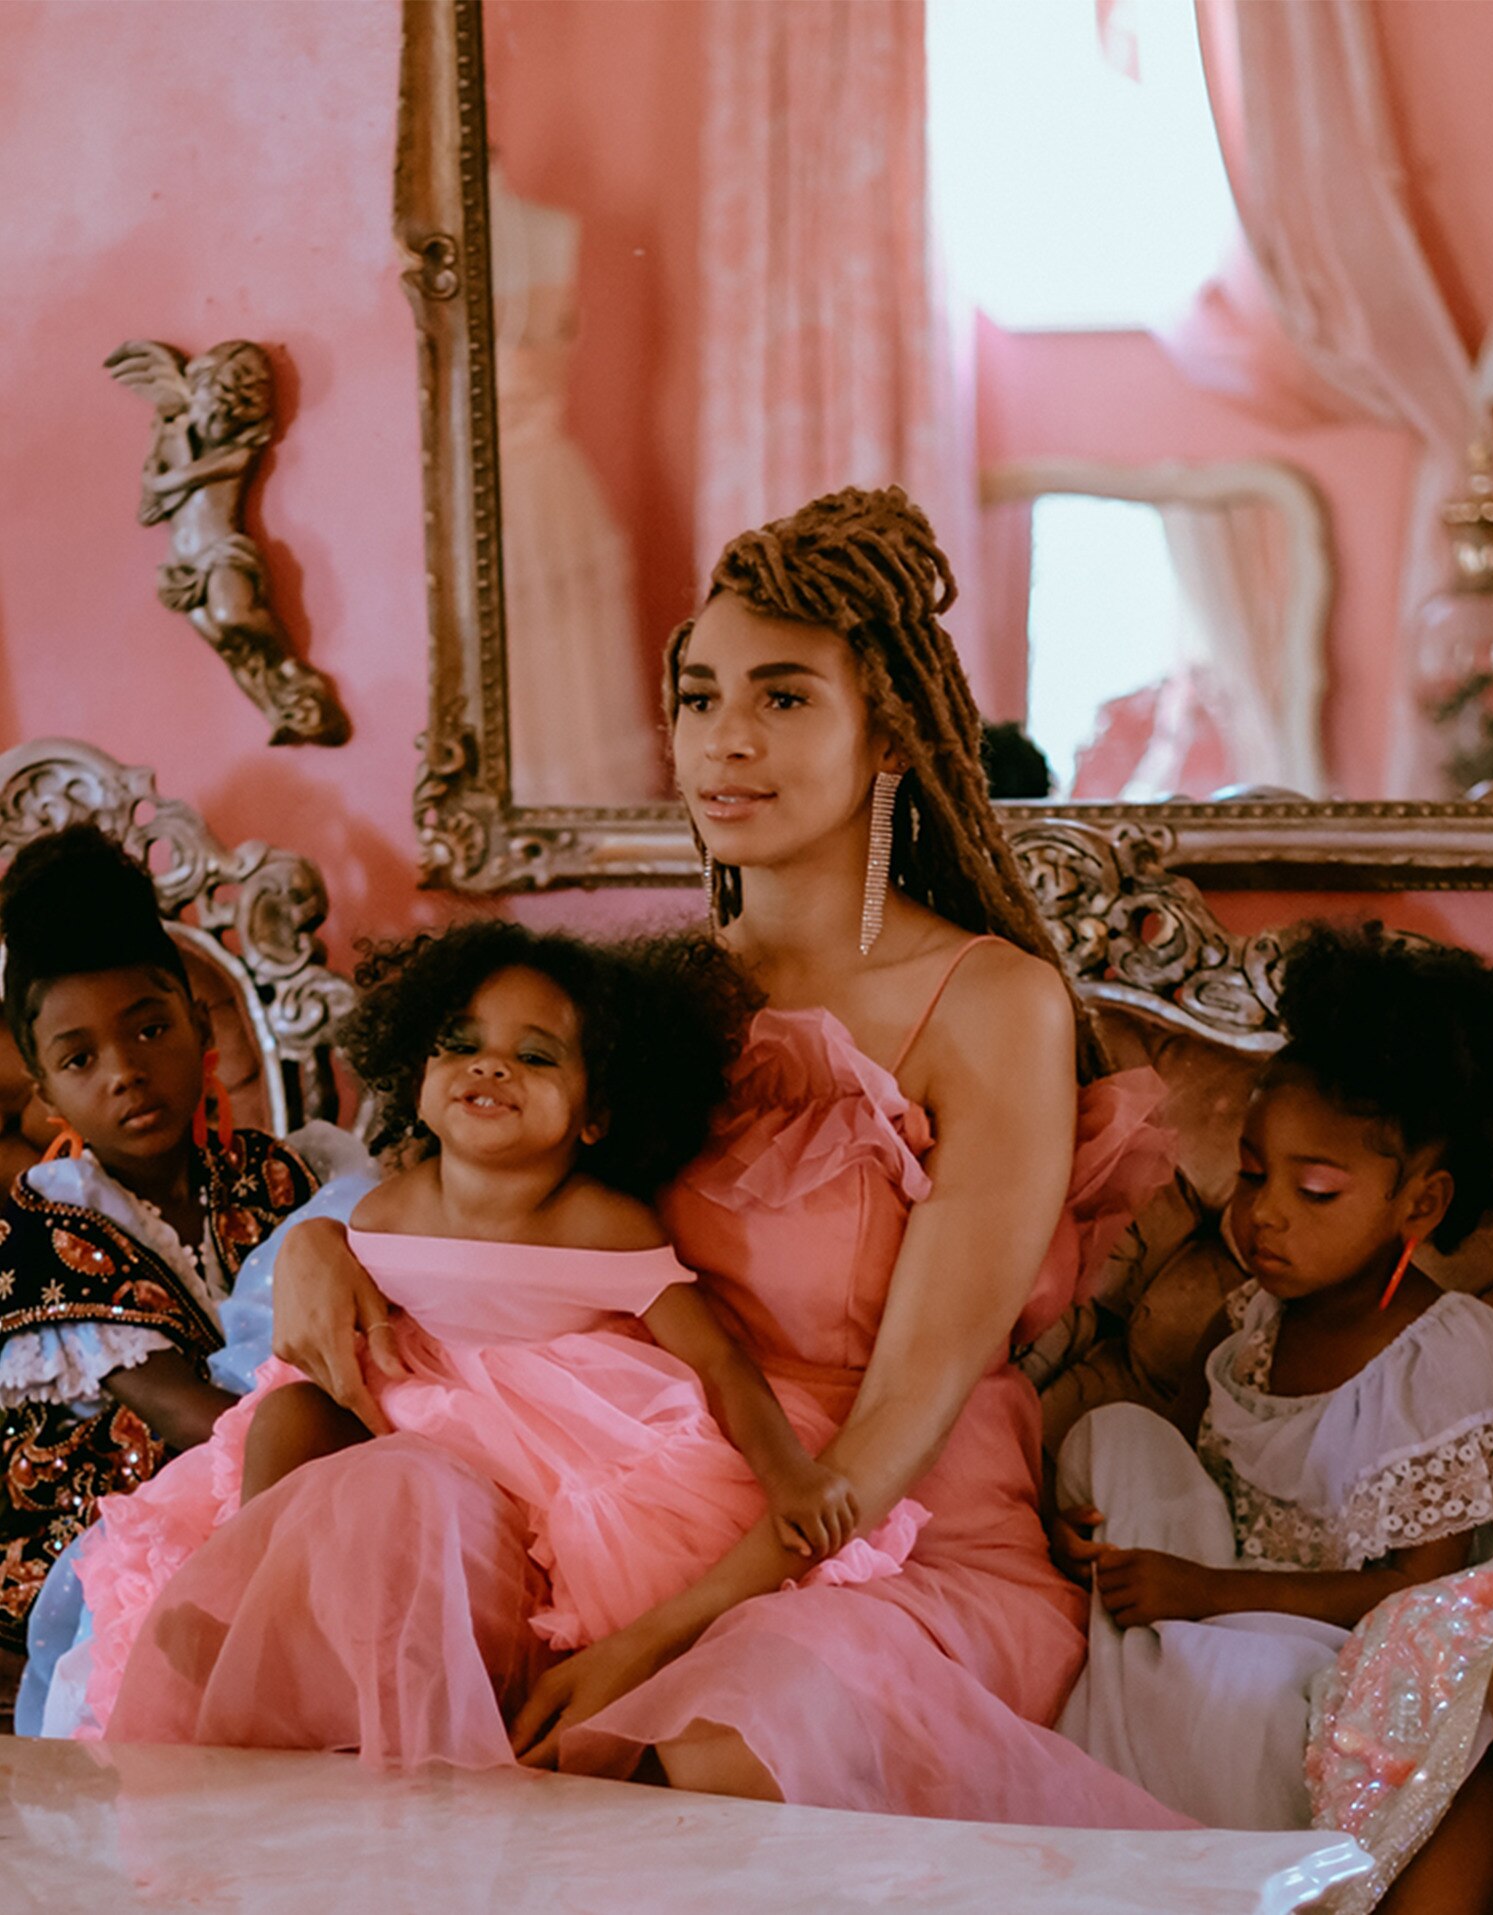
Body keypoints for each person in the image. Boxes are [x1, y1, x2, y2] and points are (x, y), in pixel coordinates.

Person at [239, 485, 1185, 1824]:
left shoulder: (991, 1005)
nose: (724, 740)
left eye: (784, 696)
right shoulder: (646, 994)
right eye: (698, 696)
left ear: (893, 729)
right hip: (606, 1496)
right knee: (354, 1545)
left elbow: (899, 1423)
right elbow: (470, 1205)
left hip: (882, 1541)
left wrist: (644, 1642)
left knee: (713, 1742)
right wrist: (320, 1241)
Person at [77, 922, 931, 1760]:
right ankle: (245, 1597)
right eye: (460, 1043)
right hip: (407, 1422)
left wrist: (789, 1472)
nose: (489, 1066)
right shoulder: (386, 1209)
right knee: (290, 1414)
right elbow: (352, 1343)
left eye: (535, 1056)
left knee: (441, 1521)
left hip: (537, 1465)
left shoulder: (603, 1224)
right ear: (418, 1077)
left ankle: (440, 1705)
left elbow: (716, 1359)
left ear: (595, 1112)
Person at [1052, 922, 1493, 1913]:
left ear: (1419, 1203)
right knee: (1118, 1437)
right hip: (1211, 1599)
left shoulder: (1444, 1354)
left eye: (1315, 1189)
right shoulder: (1254, 1319)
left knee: (1242, 1686)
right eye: (1253, 1174)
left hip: (1342, 1651)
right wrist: (1100, 1526)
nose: (1265, 1215)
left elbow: (1415, 1599)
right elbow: (1186, 1470)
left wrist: (1200, 1589)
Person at [0, 825, 319, 1658]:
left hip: (267, 1482)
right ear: (46, 1091)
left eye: (148, 1030)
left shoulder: (279, 1176)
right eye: (80, 1058)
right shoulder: (42, 1234)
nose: (125, 1071)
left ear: (198, 1020)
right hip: (97, 1537)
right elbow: (191, 1415)